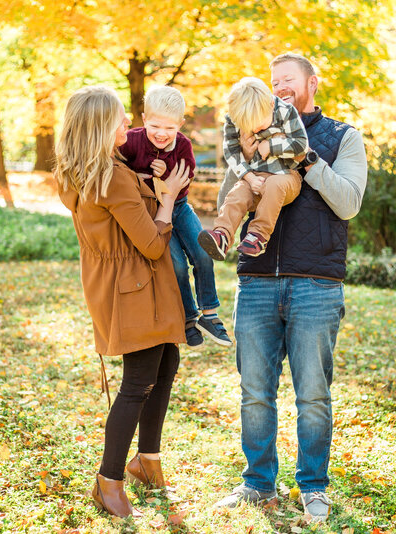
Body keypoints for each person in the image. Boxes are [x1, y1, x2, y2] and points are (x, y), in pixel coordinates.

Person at [214, 54, 368, 524]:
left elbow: (349, 204)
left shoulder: (343, 138)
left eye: (288, 80)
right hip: (256, 281)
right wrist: (249, 170)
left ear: (311, 83)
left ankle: (314, 487)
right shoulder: (249, 130)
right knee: (255, 392)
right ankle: (258, 484)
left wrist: (307, 161)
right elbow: (228, 201)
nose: (279, 87)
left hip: (315, 283)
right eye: (274, 80)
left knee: (313, 395)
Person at [56, 86, 190, 518]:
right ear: (99, 126)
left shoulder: (89, 170)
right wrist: (167, 199)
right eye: (119, 117)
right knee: (138, 381)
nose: (127, 121)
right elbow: (152, 245)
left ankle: (146, 460)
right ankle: (108, 479)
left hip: (125, 281)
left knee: (166, 363)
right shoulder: (111, 176)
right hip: (133, 284)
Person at [120, 85, 232, 348]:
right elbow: (117, 169)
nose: (162, 134)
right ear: (144, 119)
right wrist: (136, 177)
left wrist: (166, 169)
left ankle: (210, 313)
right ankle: (189, 317)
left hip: (180, 206)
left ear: (180, 124)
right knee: (177, 266)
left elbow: (186, 175)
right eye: (155, 126)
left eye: (170, 128)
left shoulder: (183, 145)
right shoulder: (132, 140)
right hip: (154, 213)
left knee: (202, 254)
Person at [198, 77, 307, 259]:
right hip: (254, 177)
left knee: (275, 185)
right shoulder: (235, 117)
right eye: (249, 126)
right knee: (237, 193)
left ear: (271, 104)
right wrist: (249, 178)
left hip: (286, 176)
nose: (255, 130)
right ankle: (222, 235)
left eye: (259, 124)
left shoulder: (285, 112)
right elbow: (231, 152)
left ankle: (258, 236)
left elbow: (301, 144)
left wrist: (271, 146)